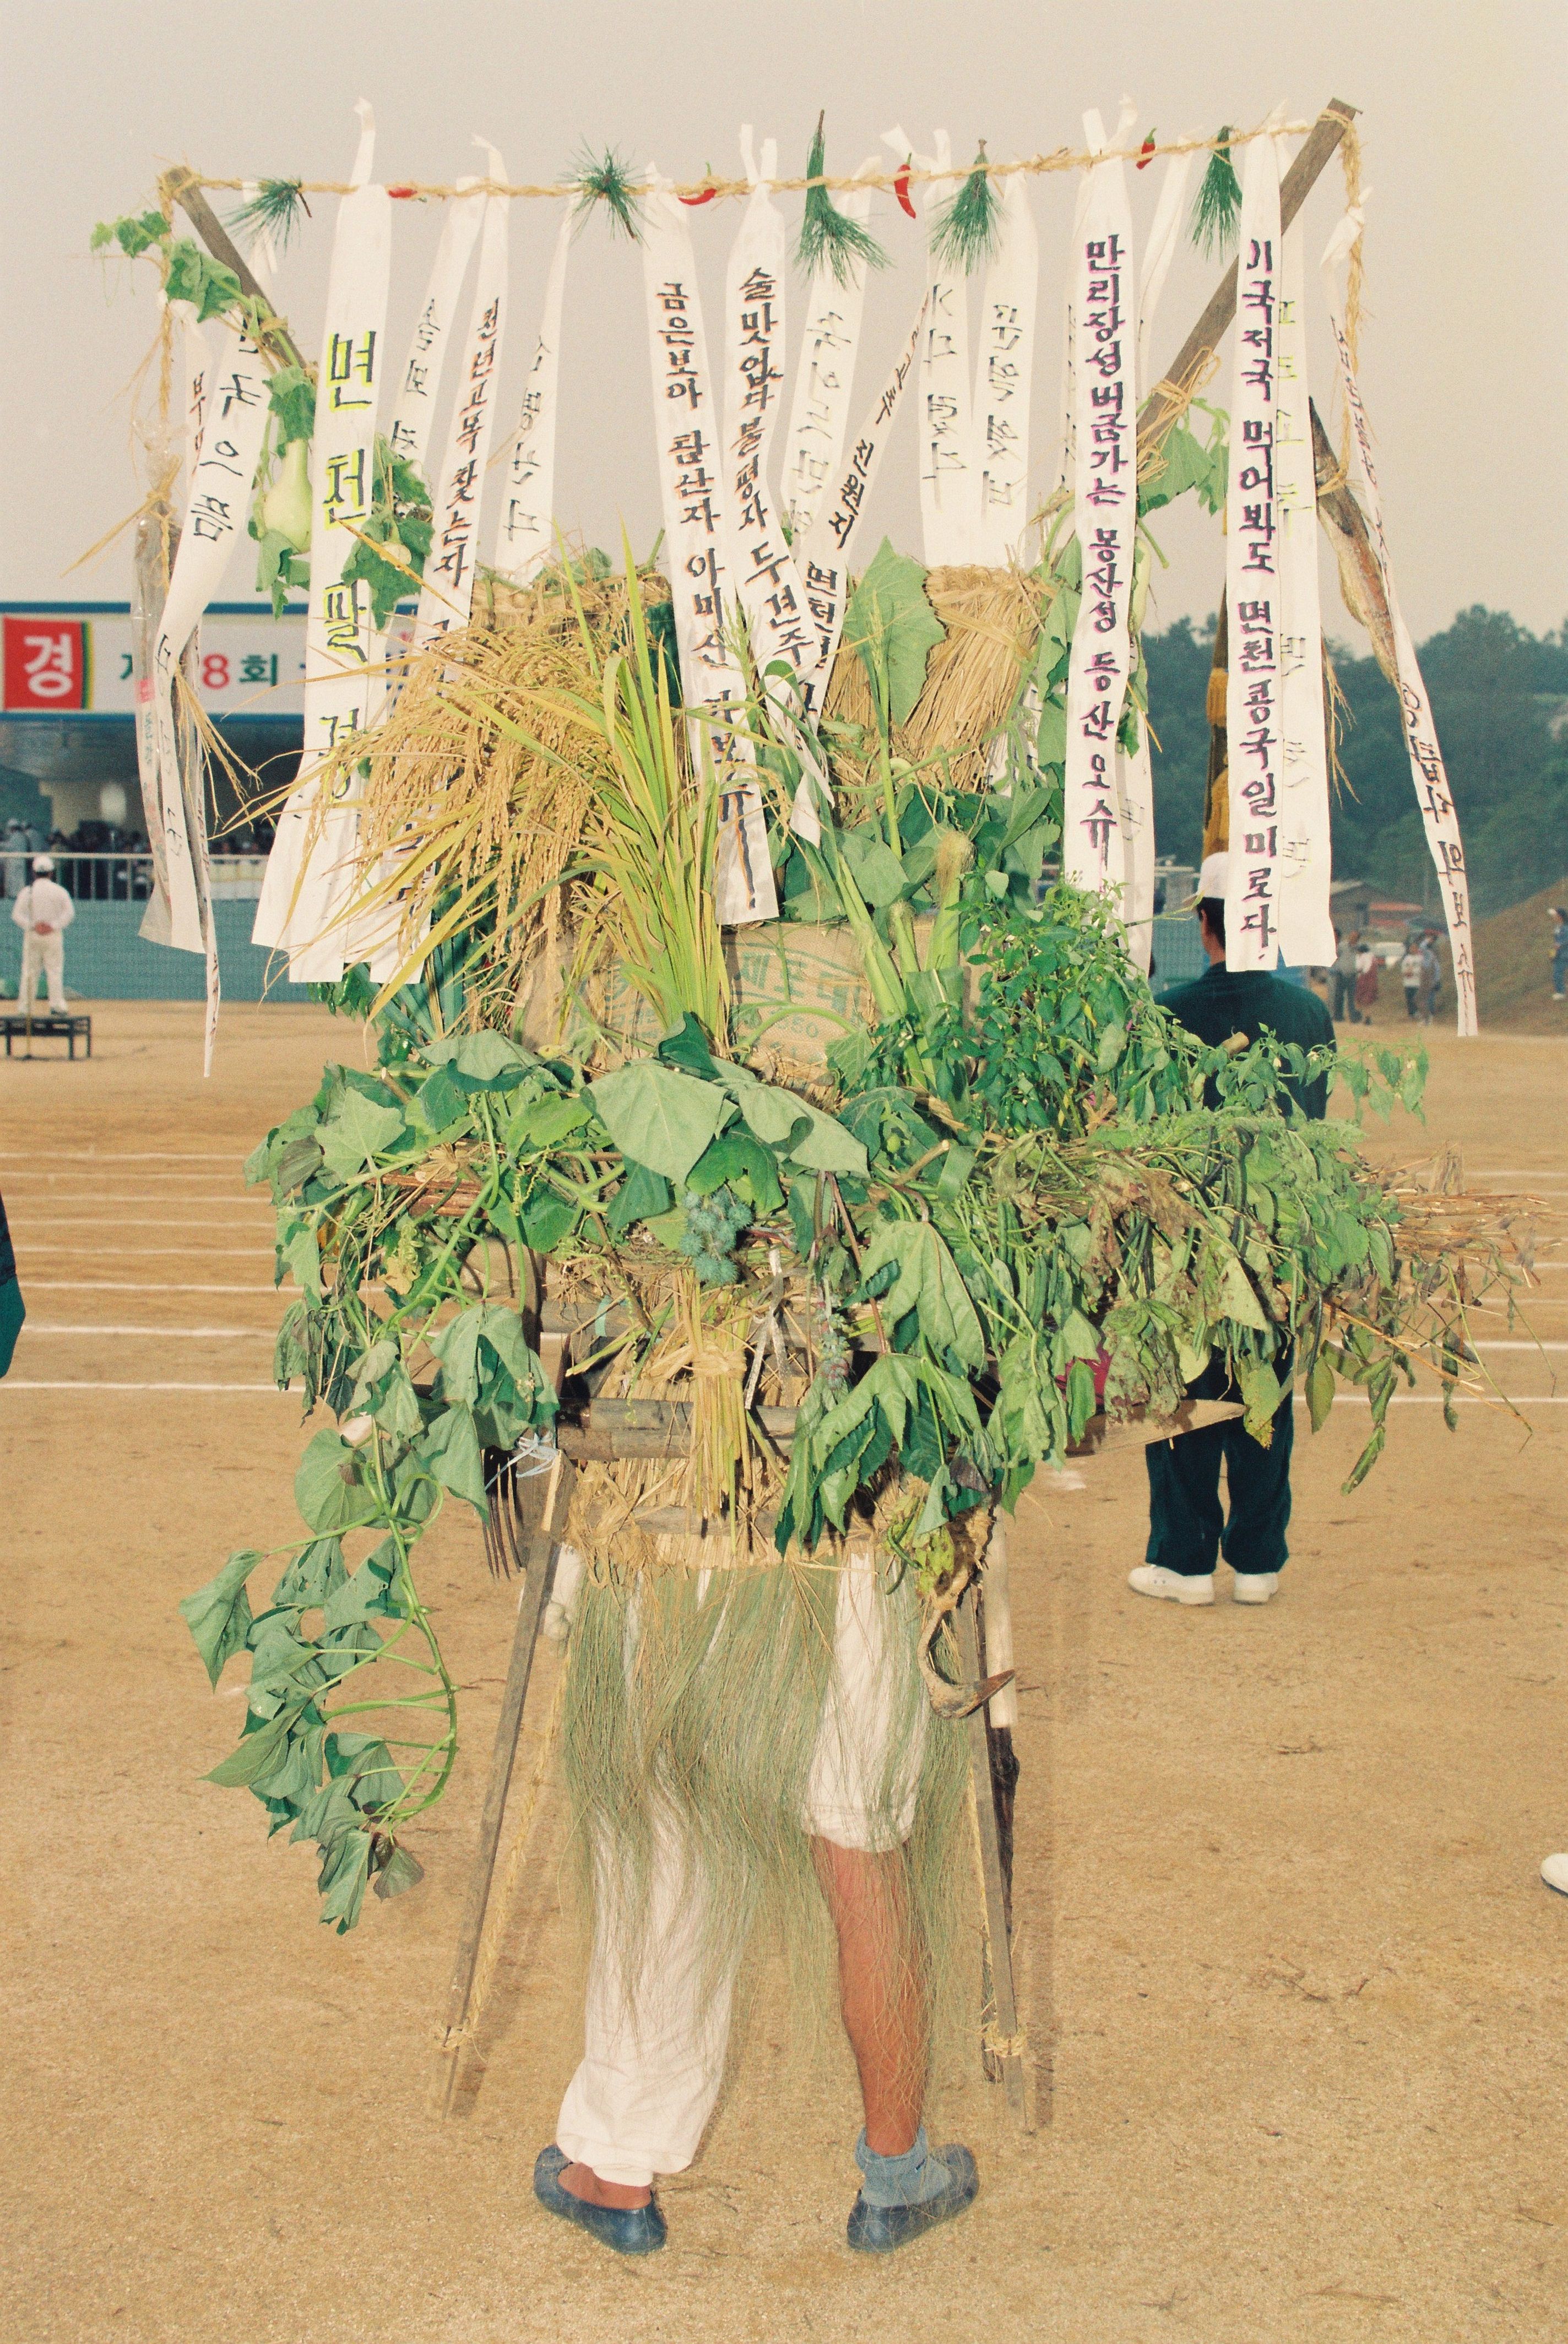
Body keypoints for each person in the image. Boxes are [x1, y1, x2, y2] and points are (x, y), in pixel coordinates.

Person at [534, 1538, 980, 2257]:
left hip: (669, 1551)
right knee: (861, 1850)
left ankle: (614, 2169)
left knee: (658, 1832)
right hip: (852, 1555)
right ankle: (897, 2176)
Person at [1128, 853, 1334, 1609]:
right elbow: (1315, 1118)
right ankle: (1256, 1560)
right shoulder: (1309, 1014)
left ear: (1202, 922)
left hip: (1188, 1238)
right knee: (1264, 1389)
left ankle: (1183, 1562)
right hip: (1278, 1237)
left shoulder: (1166, 1014)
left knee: (1186, 1390)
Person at [12, 855, 75, 1014]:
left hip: (32, 936)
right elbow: (69, 914)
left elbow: (17, 915)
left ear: (34, 873)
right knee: (54, 971)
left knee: (29, 972)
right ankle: (57, 1006)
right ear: (51, 873)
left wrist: (33, 926)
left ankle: (25, 1008)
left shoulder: (28, 892)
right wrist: (53, 926)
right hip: (53, 936)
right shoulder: (59, 891)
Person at [1331, 927, 1360, 1024]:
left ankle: (1353, 1017)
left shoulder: (1359, 949)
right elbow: (1336, 955)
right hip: (1341, 974)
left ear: (1357, 939)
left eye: (1354, 937)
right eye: (1351, 936)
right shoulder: (1342, 946)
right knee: (1339, 996)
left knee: (1351, 997)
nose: (1352, 938)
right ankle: (1338, 1016)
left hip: (1353, 976)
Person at [1418, 933, 1441, 1025]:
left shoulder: (1429, 954)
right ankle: (1427, 1017)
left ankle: (1427, 1018)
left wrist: (1436, 981)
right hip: (1429, 979)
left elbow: (1422, 947)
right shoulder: (1430, 955)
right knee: (1427, 998)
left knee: (1426, 999)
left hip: (1429, 979)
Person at [1355, 938, 1380, 1022]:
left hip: (1363, 979)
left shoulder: (1362, 957)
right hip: (1372, 981)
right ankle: (1368, 1018)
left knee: (1359, 999)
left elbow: (1358, 968)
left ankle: (1358, 1016)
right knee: (1368, 1001)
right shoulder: (1373, 958)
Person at [1400, 937, 1424, 1019]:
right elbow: (1403, 969)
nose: (1413, 949)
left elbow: (1422, 970)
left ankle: (1418, 1012)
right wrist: (1406, 972)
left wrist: (1413, 972)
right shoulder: (1407, 958)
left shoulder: (1421, 958)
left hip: (1417, 982)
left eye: (1414, 948)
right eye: (1411, 948)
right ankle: (1411, 1014)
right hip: (1408, 982)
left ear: (1417, 949)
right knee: (1409, 999)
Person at [1552, 907, 1568, 1002]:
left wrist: (1560, 945)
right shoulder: (1558, 927)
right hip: (1559, 954)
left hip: (1564, 954)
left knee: (1557, 974)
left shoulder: (1565, 928)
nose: (1554, 917)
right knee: (1557, 973)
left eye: (1556, 915)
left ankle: (1561, 993)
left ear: (1560, 917)